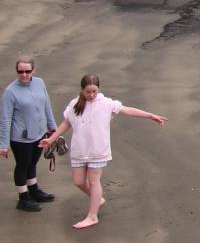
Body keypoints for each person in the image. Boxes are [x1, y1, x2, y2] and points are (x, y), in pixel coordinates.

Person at [40, 74, 166, 229]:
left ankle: (92, 216)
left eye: (94, 91)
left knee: (94, 181)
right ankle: (97, 199)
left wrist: (151, 115)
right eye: (88, 92)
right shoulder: (75, 104)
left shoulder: (106, 103)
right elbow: (66, 123)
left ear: (98, 89)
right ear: (82, 90)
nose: (91, 95)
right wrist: (51, 139)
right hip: (80, 150)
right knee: (78, 181)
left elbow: (128, 110)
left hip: (98, 150)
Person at [0, 57, 58, 212]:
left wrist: (53, 128)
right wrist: (3, 144)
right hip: (21, 138)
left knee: (32, 164)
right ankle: (23, 198)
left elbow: (47, 106)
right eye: (20, 71)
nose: (24, 75)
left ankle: (34, 191)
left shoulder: (40, 83)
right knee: (22, 165)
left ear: (34, 70)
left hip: (40, 133)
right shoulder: (10, 92)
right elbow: (5, 120)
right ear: (16, 71)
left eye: (27, 71)